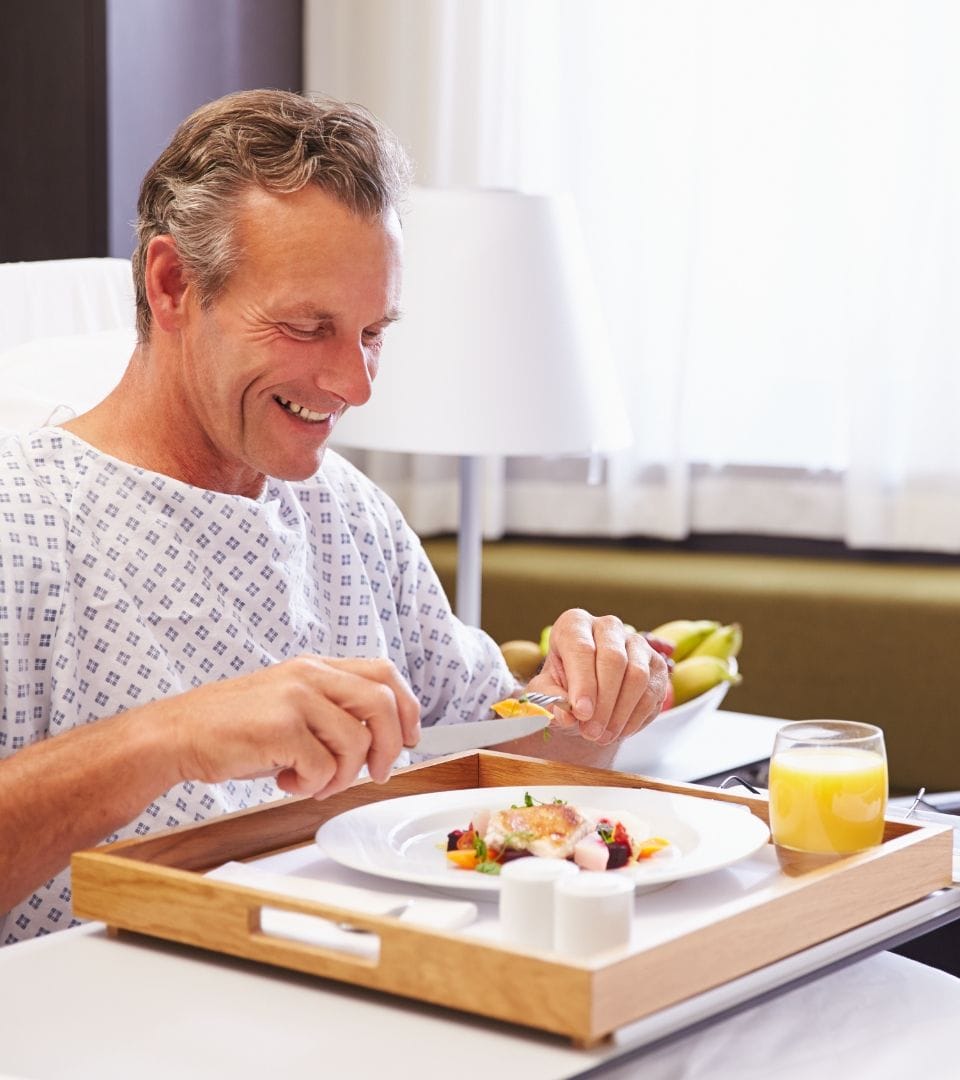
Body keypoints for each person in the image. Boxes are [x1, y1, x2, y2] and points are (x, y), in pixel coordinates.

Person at [0, 89, 668, 946]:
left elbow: (506, 767)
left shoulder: (347, 511)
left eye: (372, 331)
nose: (355, 384)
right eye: (307, 326)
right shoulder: (23, 520)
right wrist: (169, 737)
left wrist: (593, 696)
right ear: (172, 284)